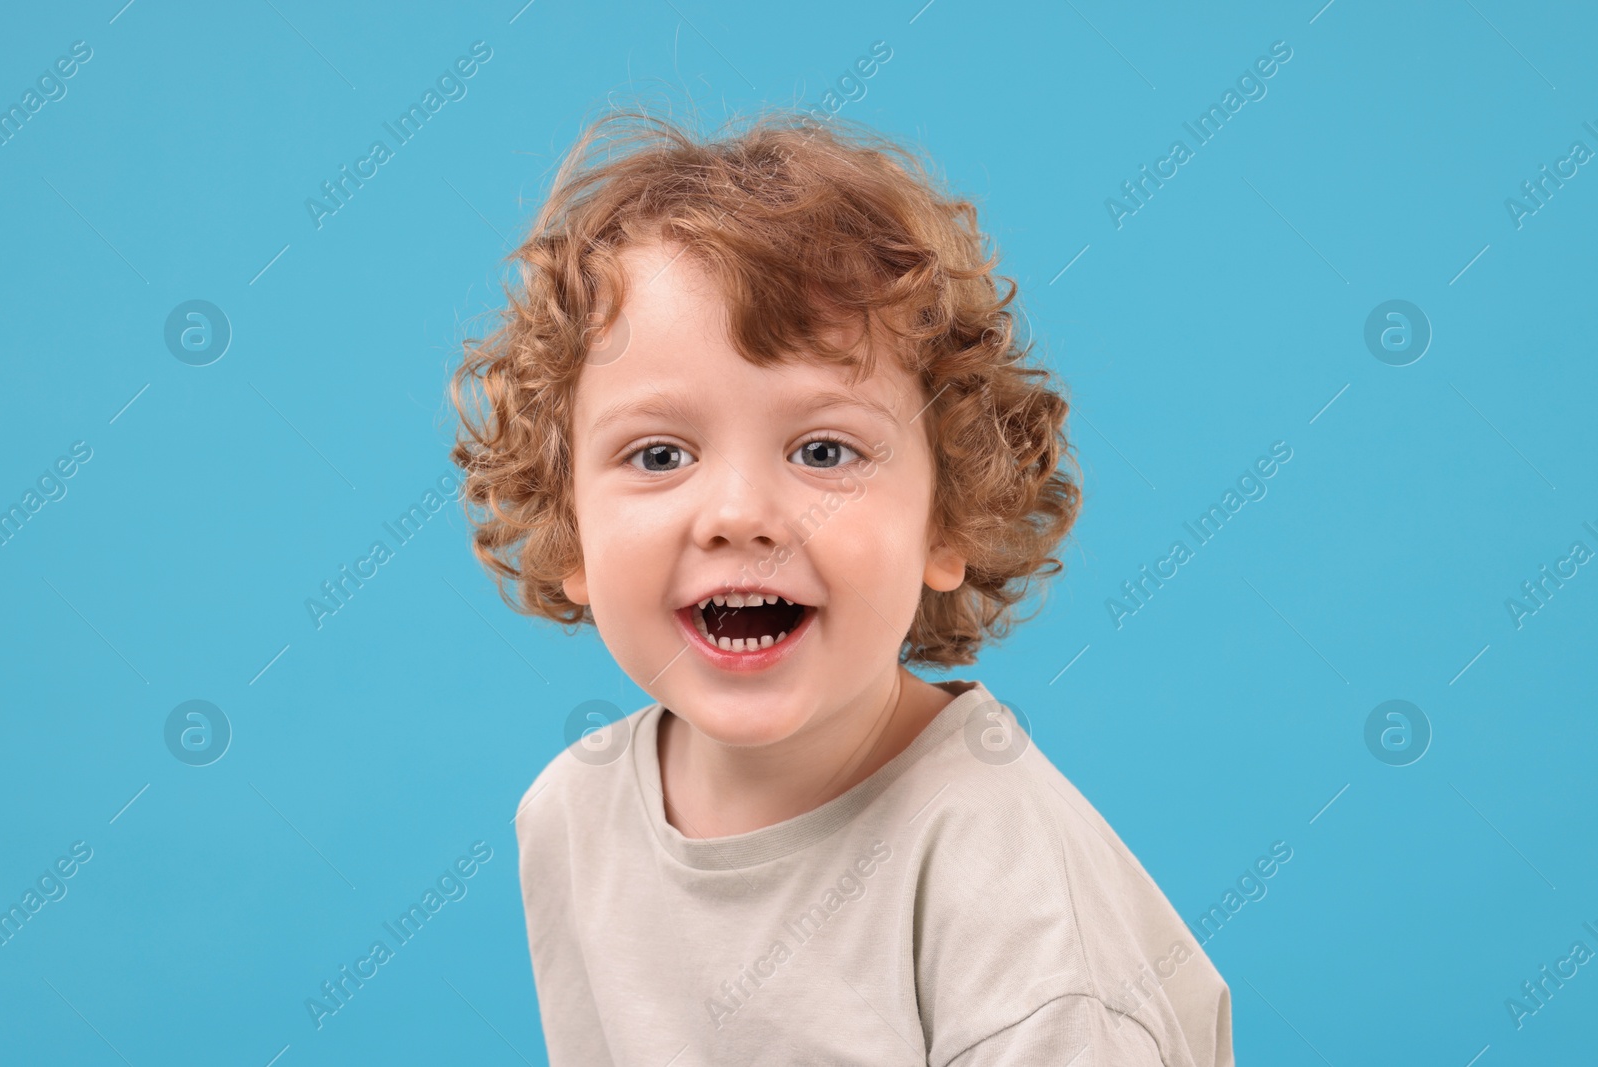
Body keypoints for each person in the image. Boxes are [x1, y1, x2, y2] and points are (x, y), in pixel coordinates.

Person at [450, 105, 1233, 1066]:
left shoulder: (1017, 913)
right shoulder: (574, 815)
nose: (740, 512)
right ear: (569, 522)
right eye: (659, 452)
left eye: (825, 449)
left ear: (947, 518)